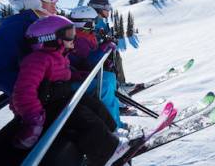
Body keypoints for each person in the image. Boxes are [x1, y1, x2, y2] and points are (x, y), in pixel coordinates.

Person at [12, 15, 131, 166]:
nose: (74, 38)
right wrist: (33, 119)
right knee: (84, 118)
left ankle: (112, 131)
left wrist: (77, 75)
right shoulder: (37, 60)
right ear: (50, 38)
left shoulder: (59, 56)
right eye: (69, 34)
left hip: (61, 98)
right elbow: (23, 92)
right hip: (46, 108)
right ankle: (107, 152)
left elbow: (64, 73)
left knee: (94, 105)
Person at [69, 6, 124, 129]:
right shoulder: (79, 39)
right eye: (93, 22)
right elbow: (88, 62)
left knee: (110, 77)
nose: (95, 24)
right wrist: (103, 48)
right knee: (105, 86)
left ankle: (117, 122)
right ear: (86, 22)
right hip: (77, 76)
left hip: (82, 72)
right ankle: (114, 127)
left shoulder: (85, 34)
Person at [88, 0, 126, 84]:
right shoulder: (93, 21)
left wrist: (109, 37)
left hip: (100, 51)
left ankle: (119, 82)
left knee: (116, 56)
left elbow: (103, 33)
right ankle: (119, 83)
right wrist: (105, 39)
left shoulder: (101, 21)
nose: (108, 11)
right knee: (114, 57)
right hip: (93, 55)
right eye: (106, 8)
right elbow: (94, 36)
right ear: (99, 9)